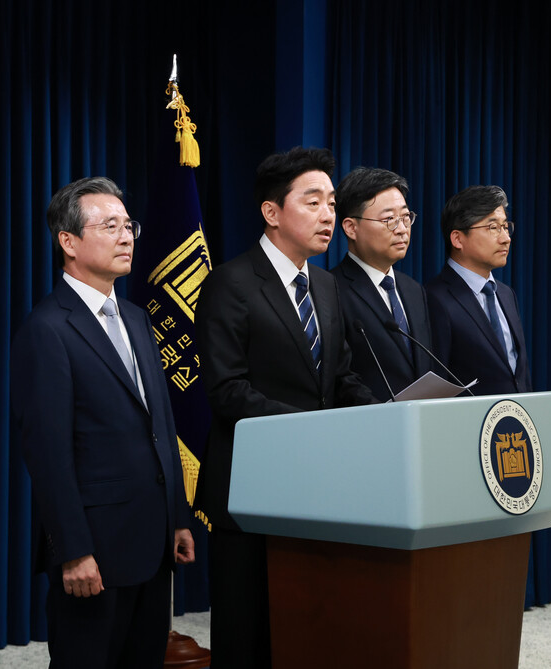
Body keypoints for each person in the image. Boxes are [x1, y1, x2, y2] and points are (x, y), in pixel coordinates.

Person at [195, 147, 376, 668]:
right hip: (252, 487)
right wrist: (313, 430)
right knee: (248, 633)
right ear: (272, 213)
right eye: (313, 201)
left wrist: (384, 416)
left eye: (331, 202)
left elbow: (339, 377)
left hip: (317, 487)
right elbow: (228, 391)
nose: (327, 215)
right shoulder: (231, 282)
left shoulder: (324, 284)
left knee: (307, 627)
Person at [11, 177, 195, 668]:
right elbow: (48, 454)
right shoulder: (47, 329)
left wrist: (177, 516)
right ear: (68, 242)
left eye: (128, 225)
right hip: (95, 549)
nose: (127, 236)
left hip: (152, 541)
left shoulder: (136, 317)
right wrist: (72, 550)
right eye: (110, 226)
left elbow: (160, 424)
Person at [330, 167, 433, 400]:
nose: (402, 229)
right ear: (350, 228)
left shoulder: (414, 290)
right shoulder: (331, 289)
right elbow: (339, 378)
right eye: (389, 220)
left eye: (406, 217)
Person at [425, 185, 531, 395]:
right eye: (493, 228)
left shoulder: (506, 294)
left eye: (505, 227)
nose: (506, 238)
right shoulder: (434, 298)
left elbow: (519, 376)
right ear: (457, 239)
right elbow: (438, 384)